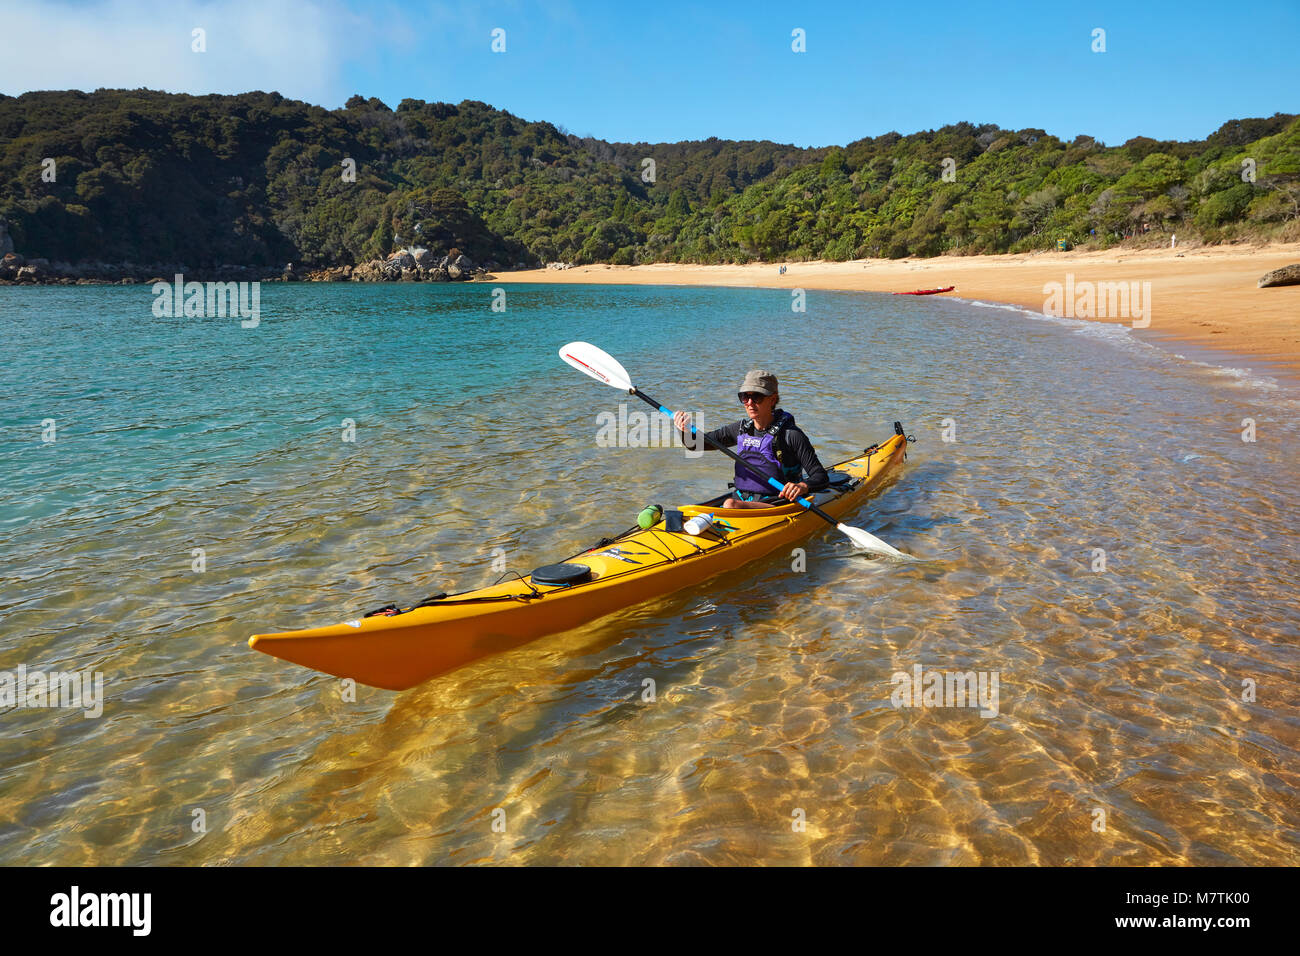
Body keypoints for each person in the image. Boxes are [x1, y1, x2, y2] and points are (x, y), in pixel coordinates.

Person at [673, 370, 829, 509]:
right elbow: (695, 445)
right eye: (744, 397)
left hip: (777, 503)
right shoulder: (740, 429)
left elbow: (820, 476)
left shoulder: (791, 435)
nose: (749, 403)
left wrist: (802, 486)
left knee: (729, 504)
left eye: (757, 397)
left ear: (773, 400)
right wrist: (683, 429)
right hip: (741, 499)